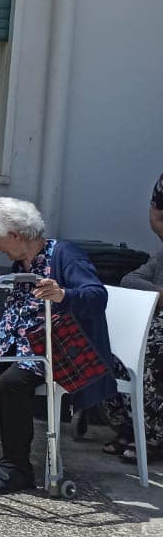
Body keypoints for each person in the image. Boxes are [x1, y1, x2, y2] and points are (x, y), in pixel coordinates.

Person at [0, 198, 117, 493]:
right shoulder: (21, 262)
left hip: (58, 348)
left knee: (12, 381)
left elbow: (96, 296)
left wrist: (63, 294)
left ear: (15, 235)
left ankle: (17, 467)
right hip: (20, 344)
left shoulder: (65, 255)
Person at [107, 172, 163, 462]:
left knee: (150, 349)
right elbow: (130, 281)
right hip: (154, 319)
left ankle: (153, 436)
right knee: (111, 344)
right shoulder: (161, 256)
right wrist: (158, 292)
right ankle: (127, 428)